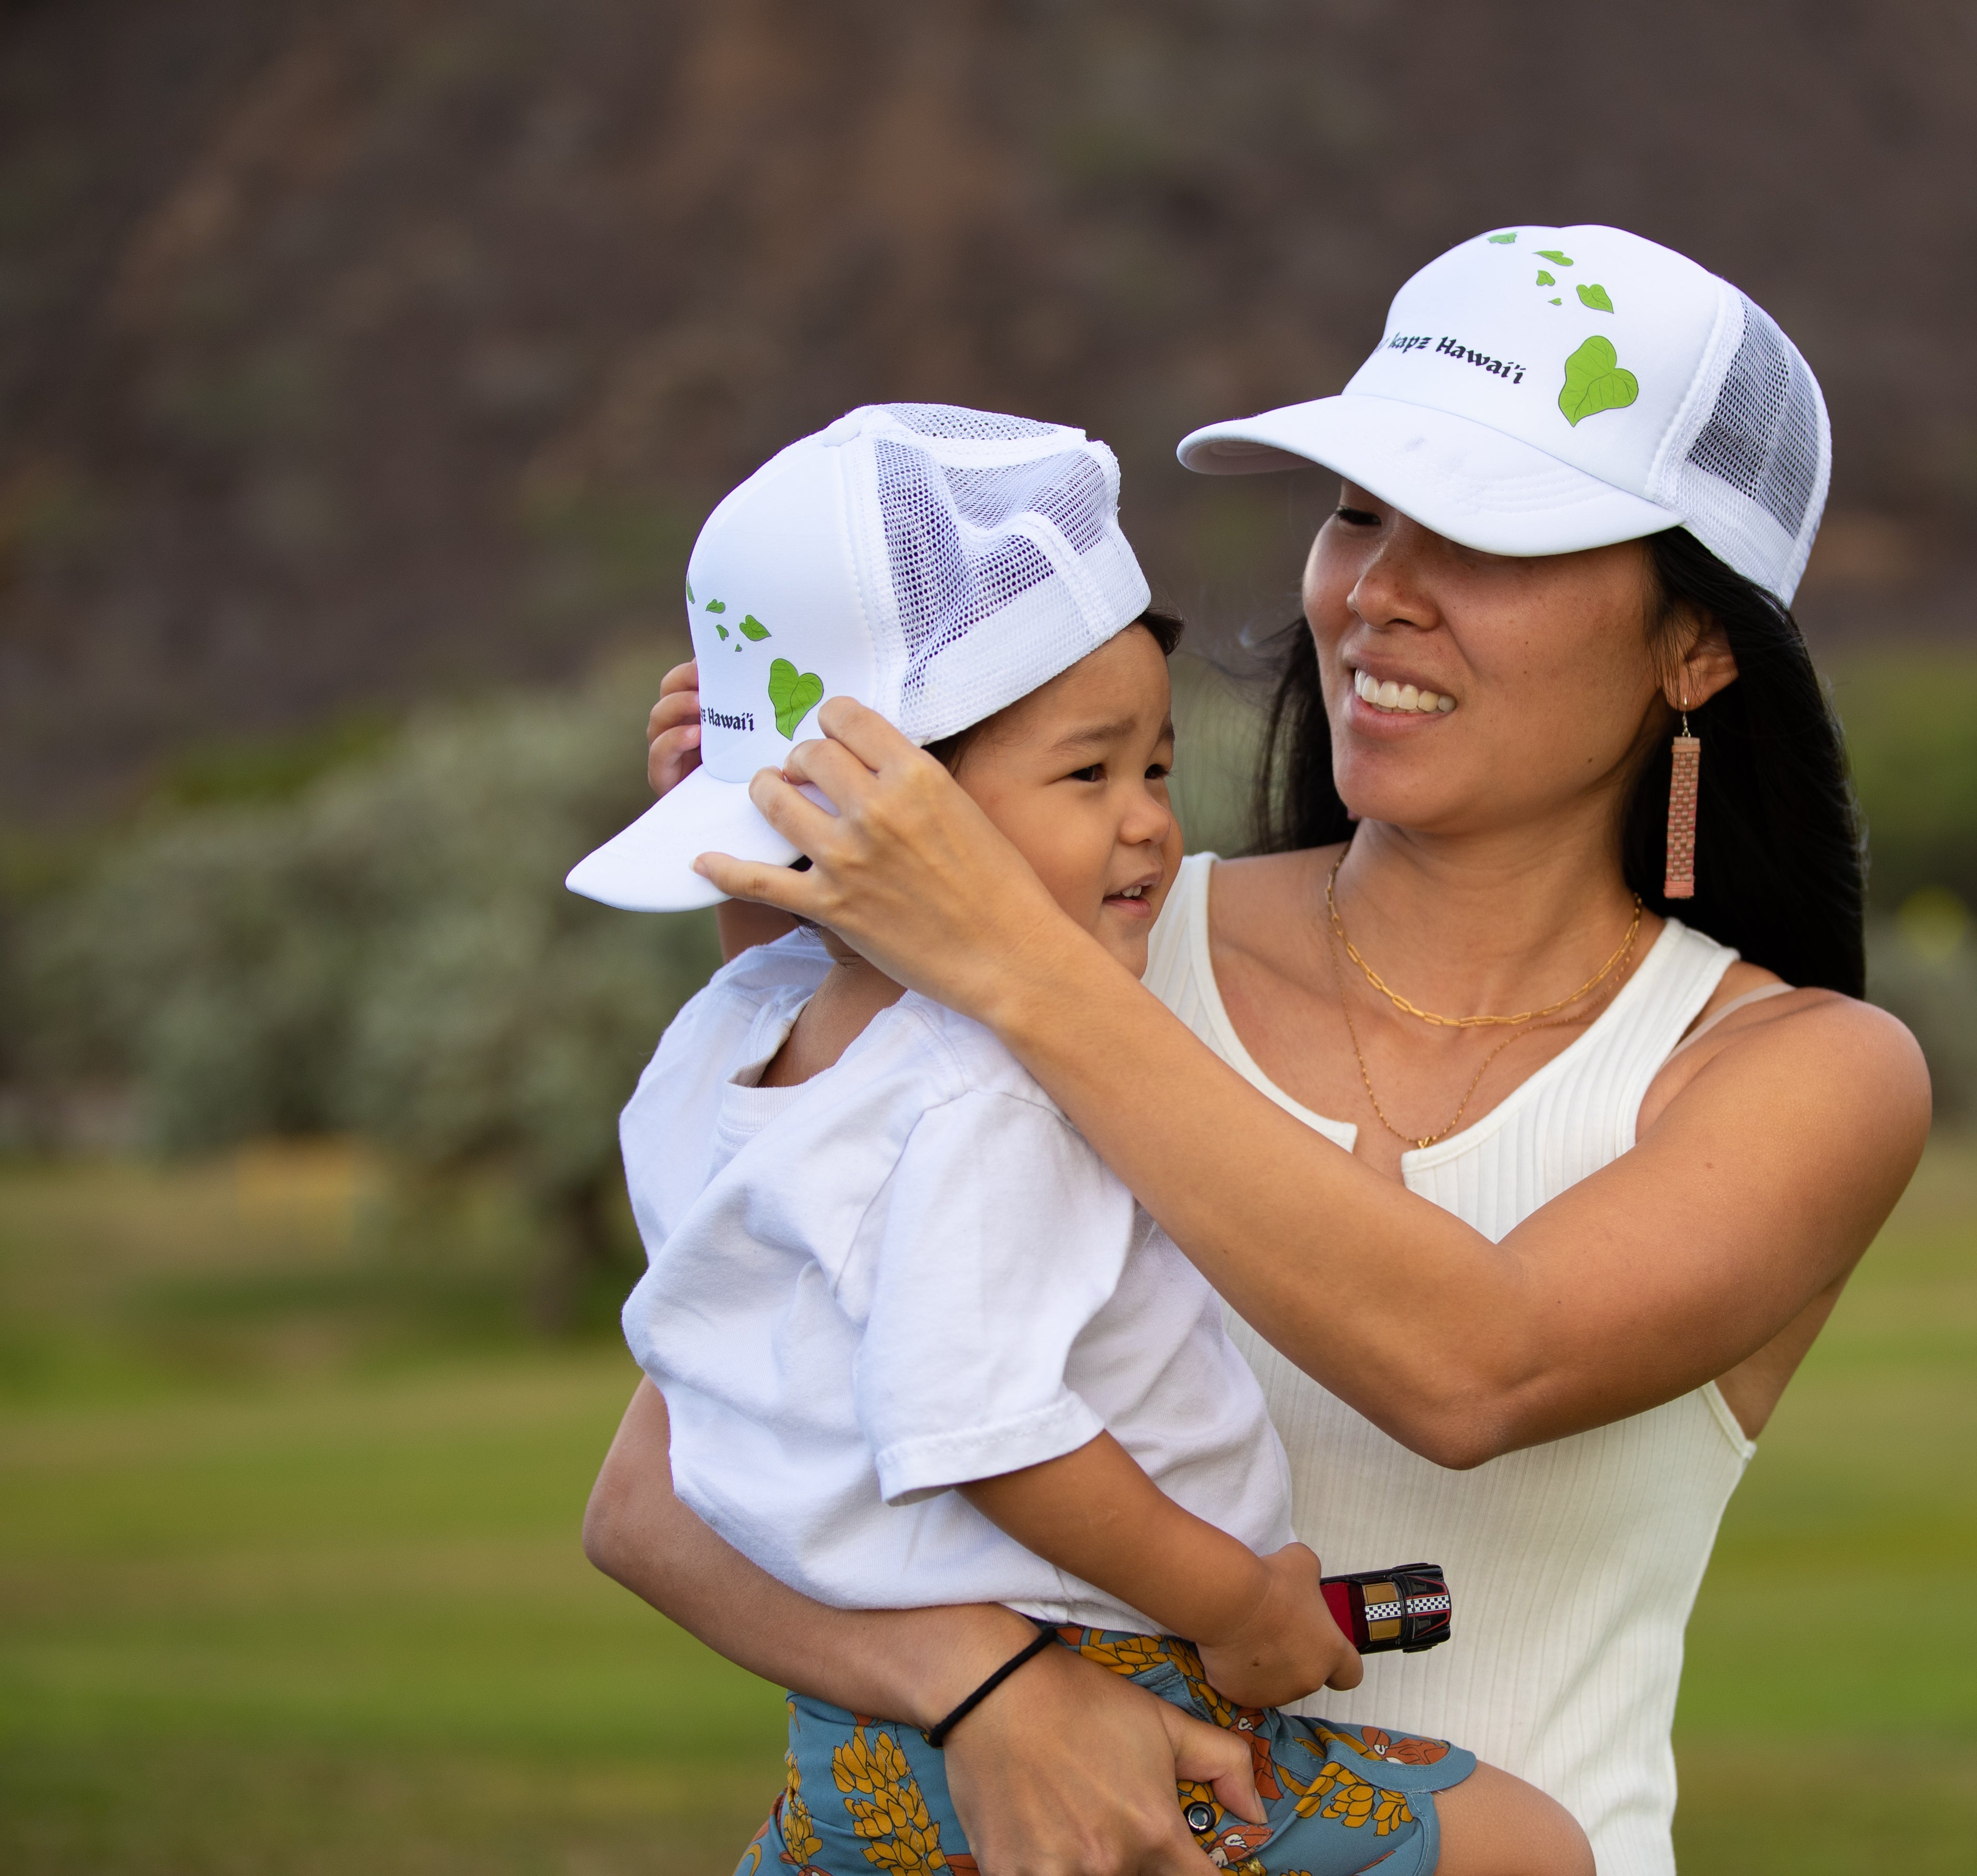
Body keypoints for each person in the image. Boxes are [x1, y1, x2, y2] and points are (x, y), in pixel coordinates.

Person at [586, 226, 1933, 1876]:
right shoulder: (1086, 940)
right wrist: (991, 1695)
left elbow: (1474, 1363)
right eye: (1359, 513)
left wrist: (987, 945)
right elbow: (662, 1498)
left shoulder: (1803, 1072)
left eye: (1491, 542)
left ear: (1697, 645)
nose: (1379, 593)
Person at [570, 403, 1588, 1876]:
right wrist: (1236, 1606)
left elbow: (789, 1209)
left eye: (1157, 771)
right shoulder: (991, 1091)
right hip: (1115, 1686)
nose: (1147, 830)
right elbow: (985, 1431)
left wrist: (755, 840)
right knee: (1532, 1853)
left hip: (850, 1737)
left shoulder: (726, 1039)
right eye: (1087, 774)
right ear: (894, 819)